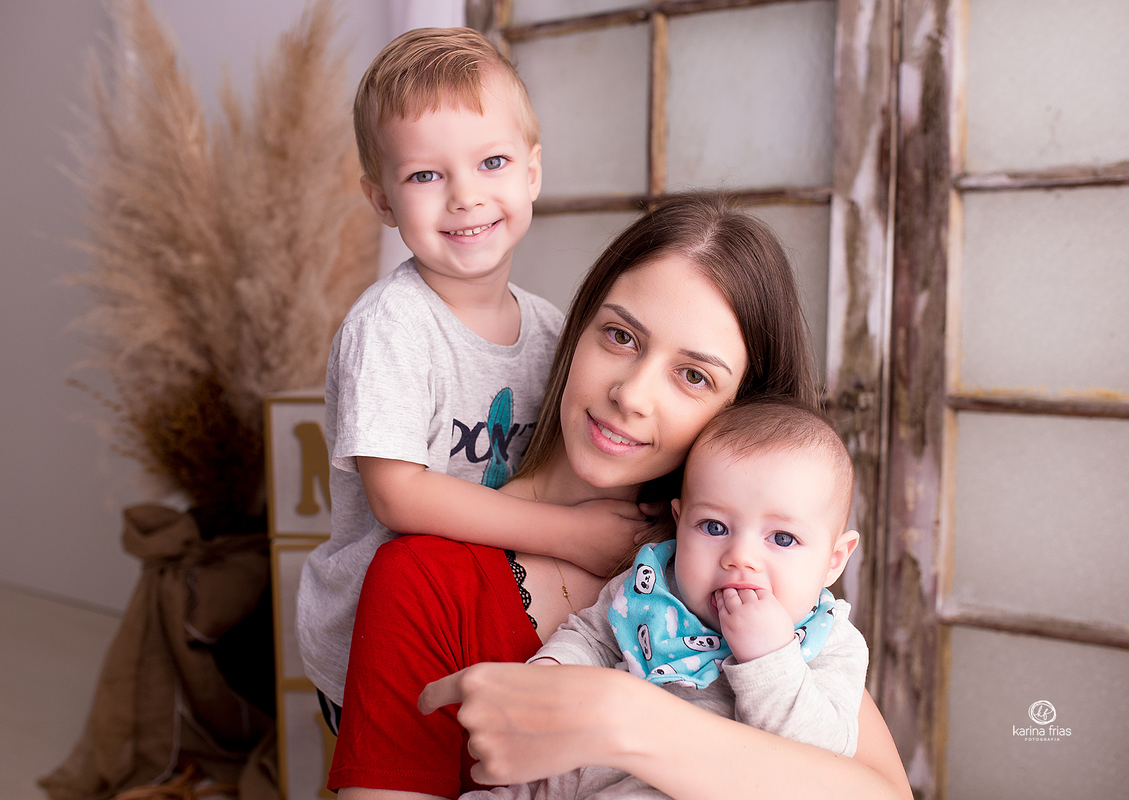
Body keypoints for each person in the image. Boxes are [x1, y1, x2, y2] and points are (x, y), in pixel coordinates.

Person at [330, 193, 910, 800]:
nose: (632, 395)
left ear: (745, 414)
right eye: (620, 336)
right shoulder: (425, 581)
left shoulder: (737, 572)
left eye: (693, 376)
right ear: (578, 330)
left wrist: (628, 720)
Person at [297, 28, 645, 727]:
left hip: (496, 611)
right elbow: (400, 497)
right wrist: (573, 535)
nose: (465, 197)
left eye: (492, 161)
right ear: (383, 201)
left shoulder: (551, 330)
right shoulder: (391, 327)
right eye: (426, 175)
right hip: (385, 636)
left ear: (532, 173)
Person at [460, 396, 866, 800]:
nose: (740, 558)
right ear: (679, 522)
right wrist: (550, 671)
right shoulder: (653, 584)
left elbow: (823, 759)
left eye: (782, 538)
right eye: (713, 527)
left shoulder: (826, 642)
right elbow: (593, 636)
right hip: (557, 779)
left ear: (833, 561)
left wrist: (770, 658)